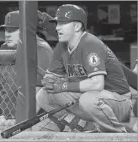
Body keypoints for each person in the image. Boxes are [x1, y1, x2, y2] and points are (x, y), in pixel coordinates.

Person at [36, 4, 132, 133]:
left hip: (118, 101)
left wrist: (63, 86)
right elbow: (53, 77)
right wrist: (49, 81)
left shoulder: (90, 44)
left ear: (77, 26)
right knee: (44, 95)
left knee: (88, 99)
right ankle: (82, 125)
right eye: (57, 23)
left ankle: (118, 134)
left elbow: (97, 84)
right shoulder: (61, 46)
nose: (57, 27)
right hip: (87, 99)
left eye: (62, 23)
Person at [0, 10, 53, 119]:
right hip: (8, 118)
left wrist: (19, 123)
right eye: (6, 30)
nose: (7, 34)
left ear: (26, 30)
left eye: (13, 30)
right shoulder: (4, 48)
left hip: (38, 119)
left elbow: (37, 94)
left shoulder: (41, 49)